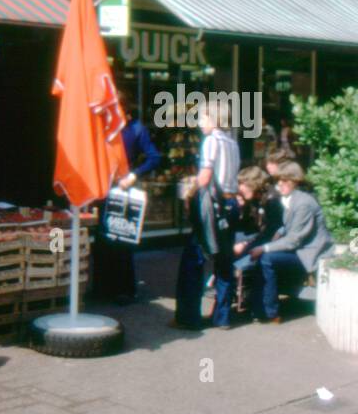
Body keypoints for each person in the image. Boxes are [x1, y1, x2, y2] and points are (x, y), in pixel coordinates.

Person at [173, 100, 240, 329]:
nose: (199, 123)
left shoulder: (211, 141)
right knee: (224, 261)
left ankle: (188, 317)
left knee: (193, 260)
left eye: (202, 117)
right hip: (231, 205)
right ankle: (222, 317)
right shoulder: (232, 143)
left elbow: (204, 178)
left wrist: (188, 193)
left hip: (212, 208)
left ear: (213, 119)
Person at [94, 92, 162, 303]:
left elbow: (154, 157)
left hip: (122, 187)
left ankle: (124, 288)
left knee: (122, 237)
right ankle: (102, 287)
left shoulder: (136, 129)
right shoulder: (105, 127)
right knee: (103, 238)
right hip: (105, 188)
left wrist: (133, 175)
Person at [247, 162, 333, 323]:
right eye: (279, 180)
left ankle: (270, 312)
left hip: (310, 254)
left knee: (267, 258)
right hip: (299, 250)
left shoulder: (304, 203)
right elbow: (289, 228)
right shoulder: (292, 199)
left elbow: (294, 240)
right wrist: (278, 234)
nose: (280, 184)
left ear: (295, 181)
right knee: (265, 257)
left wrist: (264, 248)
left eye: (285, 180)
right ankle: (259, 309)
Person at [231, 166, 281, 311]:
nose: (240, 188)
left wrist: (246, 245)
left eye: (243, 184)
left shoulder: (272, 200)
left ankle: (239, 290)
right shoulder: (253, 199)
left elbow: (271, 232)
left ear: (253, 183)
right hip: (260, 237)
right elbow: (248, 226)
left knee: (239, 262)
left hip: (272, 242)